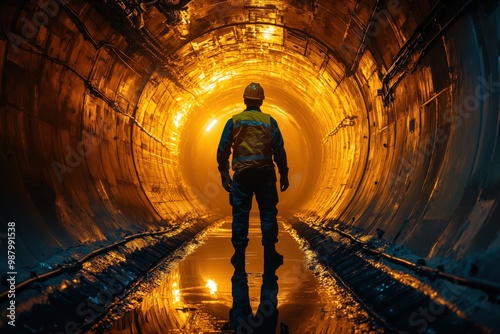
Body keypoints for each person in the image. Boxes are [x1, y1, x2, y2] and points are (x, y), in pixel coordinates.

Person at [217, 82, 289, 265]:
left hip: (242, 175)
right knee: (268, 213)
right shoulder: (269, 121)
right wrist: (284, 174)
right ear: (262, 101)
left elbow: (223, 149)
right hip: (265, 174)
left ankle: (239, 254)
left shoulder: (234, 121)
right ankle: (270, 253)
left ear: (244, 99)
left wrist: (224, 174)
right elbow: (279, 149)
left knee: (240, 214)